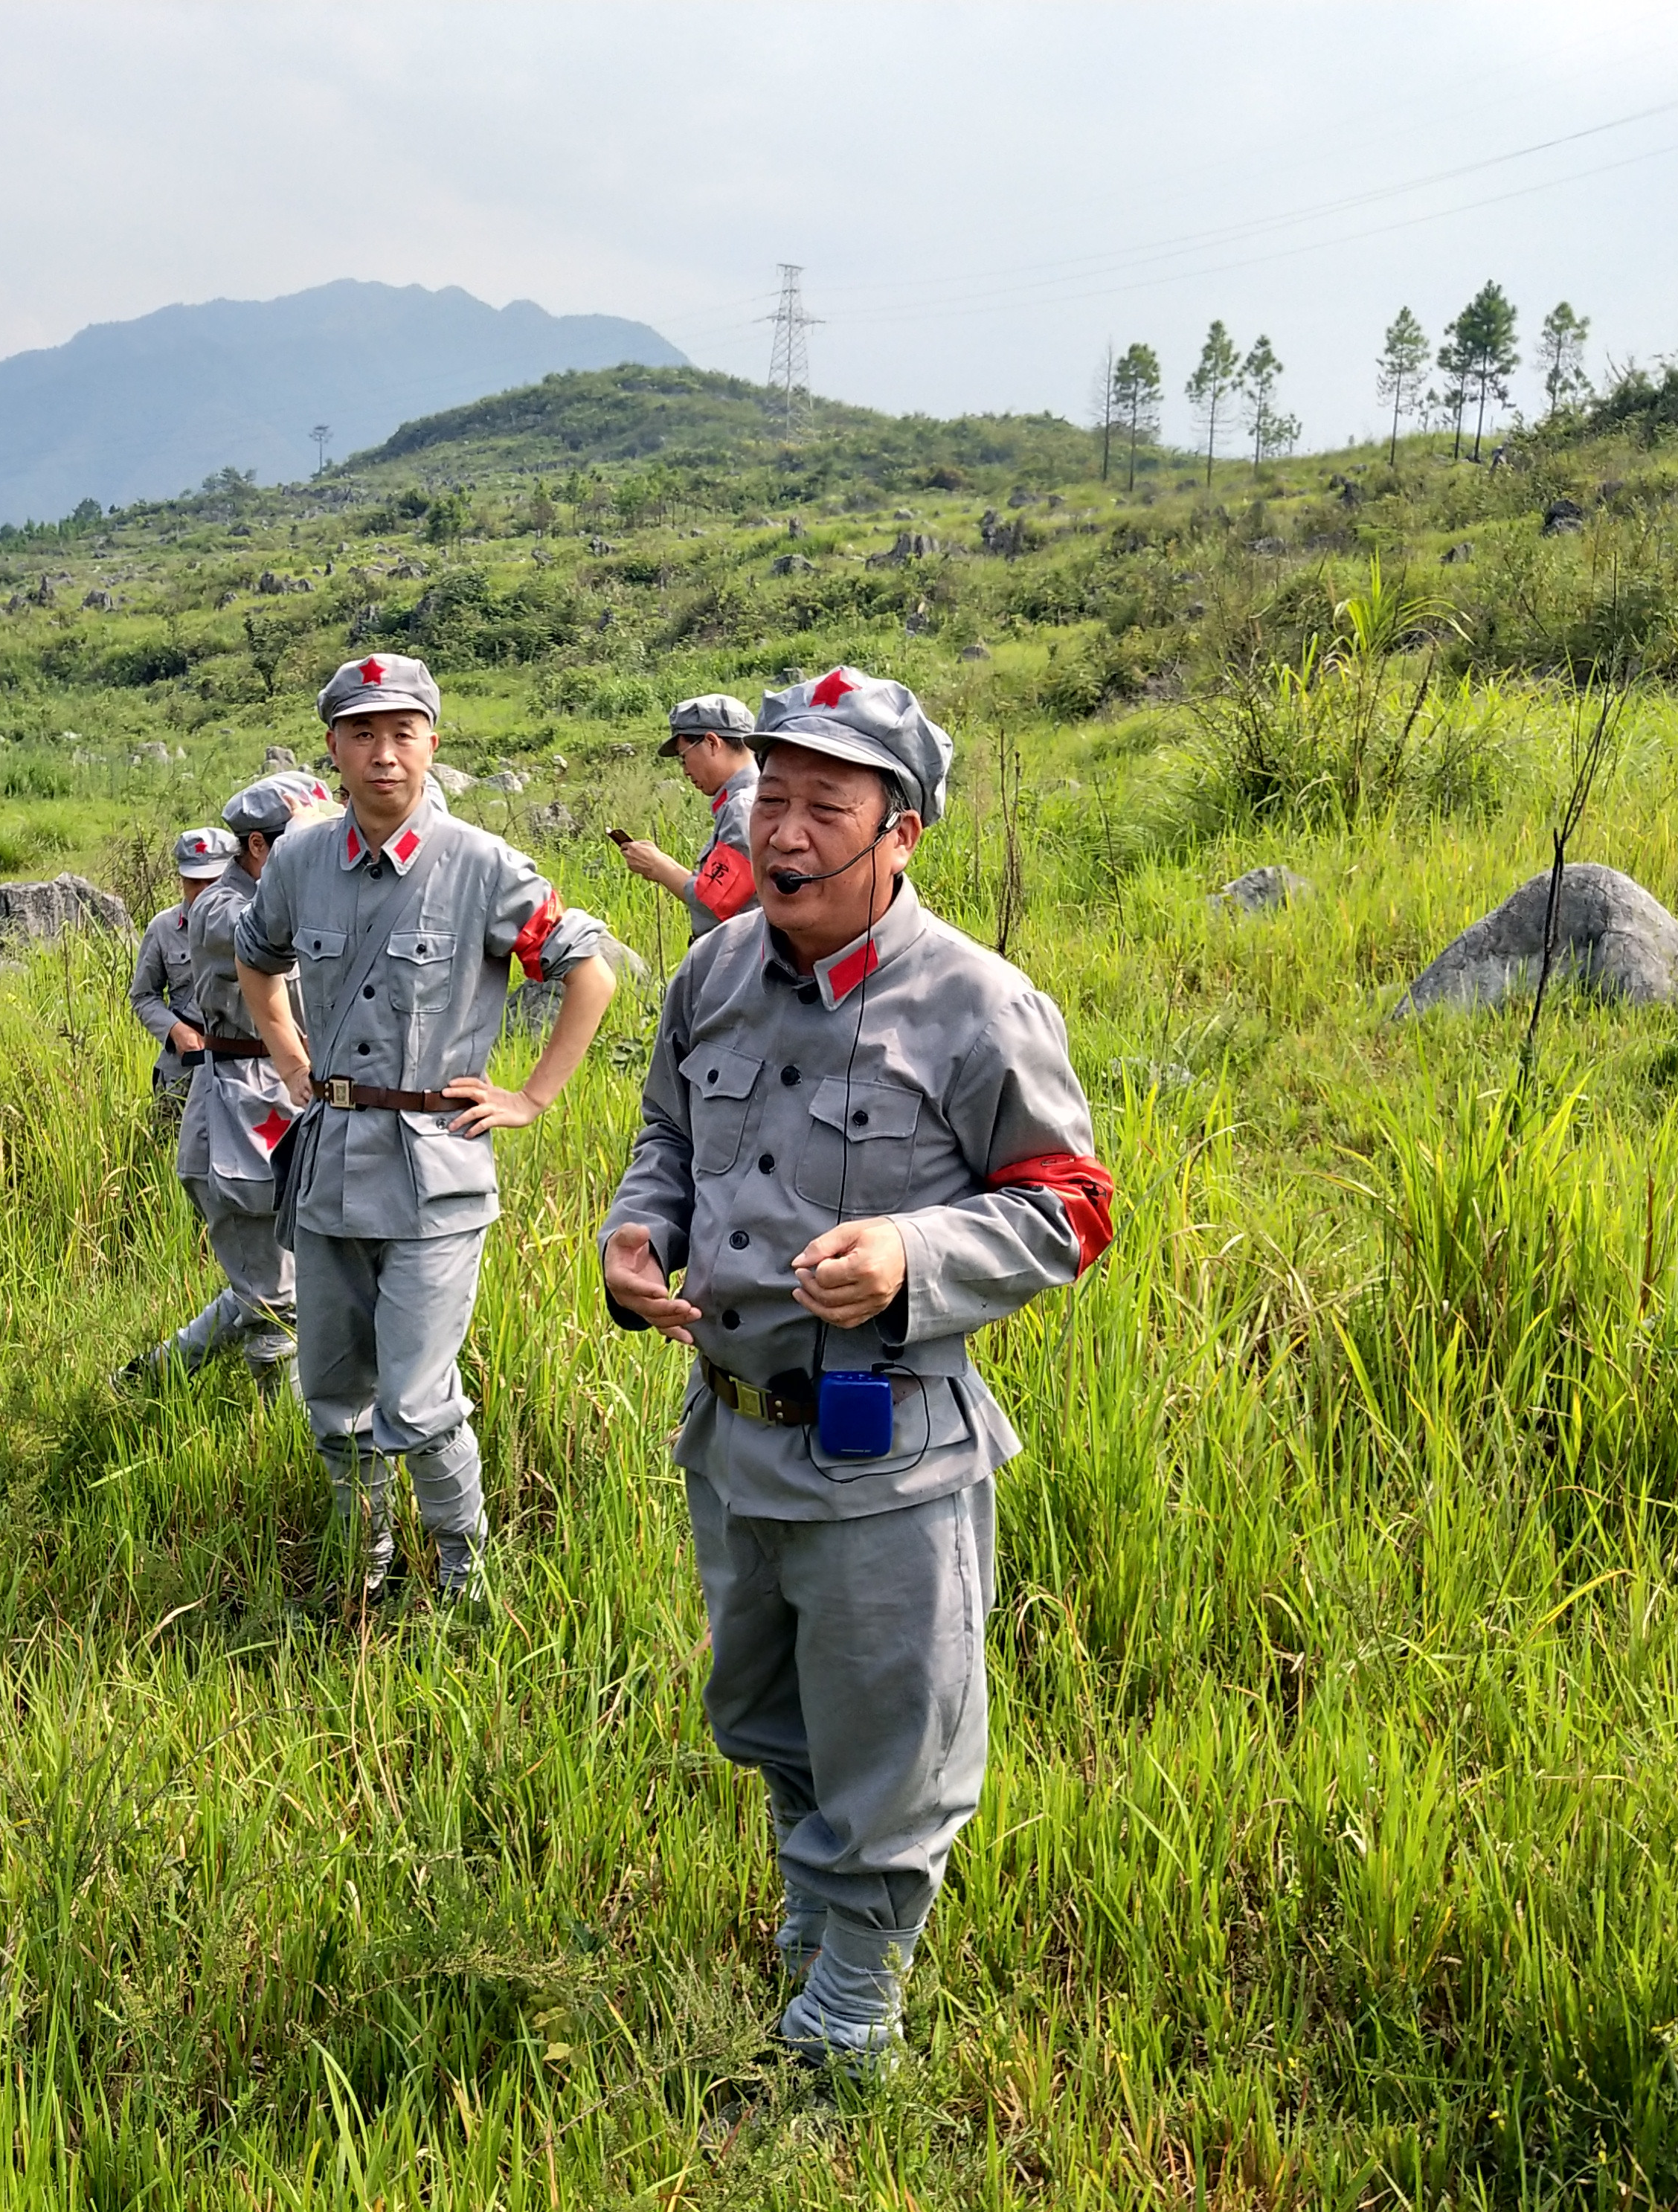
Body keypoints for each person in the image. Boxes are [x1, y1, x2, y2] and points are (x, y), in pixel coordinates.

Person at [597, 663, 1114, 2077]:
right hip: (734, 1431)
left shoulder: (976, 1001)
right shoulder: (713, 970)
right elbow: (662, 1135)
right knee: (766, 1713)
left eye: (828, 803)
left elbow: (1071, 1206)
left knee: (889, 1737)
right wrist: (635, 1231)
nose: (786, 831)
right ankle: (808, 1921)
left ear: (903, 832)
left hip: (886, 1449)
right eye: (774, 795)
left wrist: (908, 1251)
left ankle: (850, 2015)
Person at [237, 654, 617, 1606]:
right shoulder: (299, 861)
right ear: (333, 747)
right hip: (329, 1163)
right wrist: (290, 1063)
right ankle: (362, 1570)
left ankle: (463, 1576)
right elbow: (258, 962)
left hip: (433, 1172)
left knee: (414, 1399)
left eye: (403, 733)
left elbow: (591, 971)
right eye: (362, 733)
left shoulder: (483, 867)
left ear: (433, 743)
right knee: (331, 1396)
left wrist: (530, 1097)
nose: (384, 755)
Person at [121, 777, 332, 1398]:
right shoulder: (223, 909)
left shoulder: (276, 888)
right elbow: (286, 943)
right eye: (308, 844)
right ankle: (288, 1436)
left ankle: (153, 1373)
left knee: (275, 1281)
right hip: (242, 1109)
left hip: (290, 1095)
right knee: (276, 1303)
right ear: (263, 848)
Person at [617, 693, 761, 938]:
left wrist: (658, 867)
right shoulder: (756, 796)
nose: (685, 771)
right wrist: (662, 863)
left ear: (713, 743)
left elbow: (715, 902)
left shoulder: (742, 807)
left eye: (684, 757)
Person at [131, 828, 236, 1119]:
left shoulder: (255, 925)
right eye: (193, 881)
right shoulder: (163, 928)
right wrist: (175, 1031)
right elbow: (143, 996)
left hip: (243, 1063)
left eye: (212, 881)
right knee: (170, 1153)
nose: (202, 890)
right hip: (183, 1067)